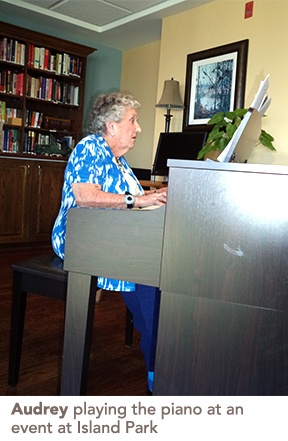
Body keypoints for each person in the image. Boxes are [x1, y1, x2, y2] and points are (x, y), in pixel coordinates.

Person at [52, 92, 167, 393]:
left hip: (114, 237)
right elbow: (86, 197)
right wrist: (140, 200)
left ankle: (162, 357)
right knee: (151, 274)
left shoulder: (120, 161)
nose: (138, 128)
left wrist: (153, 200)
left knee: (156, 270)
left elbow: (135, 204)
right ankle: (160, 366)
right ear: (111, 125)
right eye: (133, 120)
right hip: (81, 236)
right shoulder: (90, 146)